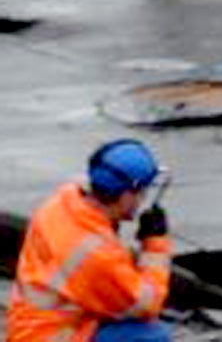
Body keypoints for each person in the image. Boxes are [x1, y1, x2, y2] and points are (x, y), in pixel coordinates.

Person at [5, 139, 174, 342]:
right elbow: (147, 305)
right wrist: (155, 245)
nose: (143, 199)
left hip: (29, 325)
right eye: (142, 192)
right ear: (127, 195)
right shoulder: (96, 254)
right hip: (53, 336)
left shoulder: (63, 202)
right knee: (152, 335)